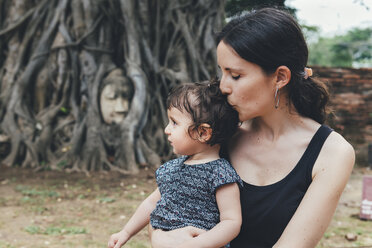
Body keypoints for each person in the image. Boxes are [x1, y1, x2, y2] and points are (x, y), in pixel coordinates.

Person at [150, 7, 355, 248]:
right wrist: (161, 237)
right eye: (222, 72)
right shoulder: (221, 133)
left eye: (235, 75)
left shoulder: (331, 154)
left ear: (280, 77)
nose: (223, 86)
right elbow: (164, 208)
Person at [108, 80, 243, 248]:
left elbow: (231, 222)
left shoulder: (221, 174)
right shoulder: (172, 169)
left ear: (202, 132)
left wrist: (195, 245)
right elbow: (151, 204)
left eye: (174, 123)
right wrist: (126, 232)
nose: (166, 129)